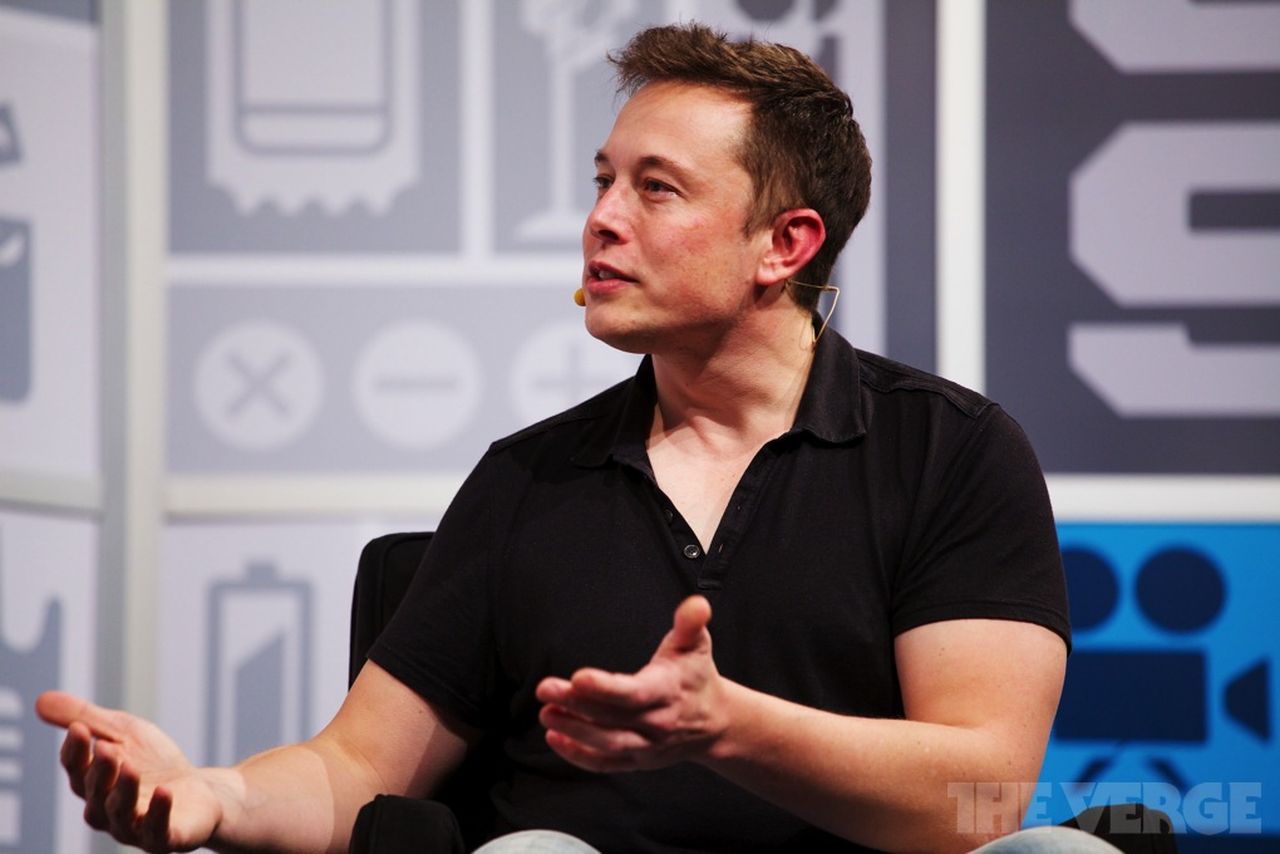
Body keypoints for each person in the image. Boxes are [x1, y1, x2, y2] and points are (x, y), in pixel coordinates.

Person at [37, 22, 1098, 854]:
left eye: (656, 188)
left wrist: (724, 725)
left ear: (784, 244)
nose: (601, 218)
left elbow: (983, 794)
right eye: (603, 180)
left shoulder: (950, 453)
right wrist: (211, 793)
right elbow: (351, 770)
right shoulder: (527, 480)